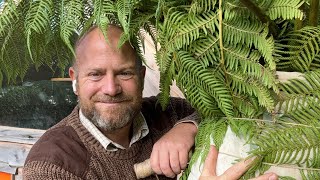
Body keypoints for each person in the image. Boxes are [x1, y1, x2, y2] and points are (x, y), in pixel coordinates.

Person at [23, 25, 277, 180]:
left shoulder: (165, 113)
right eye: (95, 74)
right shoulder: (52, 164)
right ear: (74, 80)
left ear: (142, 77)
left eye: (124, 73)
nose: (111, 89)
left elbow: (213, 112)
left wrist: (186, 128)